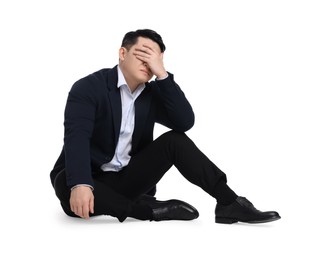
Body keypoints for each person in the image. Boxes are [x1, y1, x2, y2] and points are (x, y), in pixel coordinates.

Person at [50, 29, 280, 224]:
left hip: (127, 179)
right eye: (143, 55)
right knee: (66, 182)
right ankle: (150, 211)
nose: (148, 64)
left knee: (175, 141)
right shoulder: (88, 88)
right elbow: (76, 137)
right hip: (90, 179)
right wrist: (81, 183)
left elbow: (184, 122)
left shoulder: (151, 93)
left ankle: (229, 203)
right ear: (123, 53)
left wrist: (163, 75)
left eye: (155, 60)